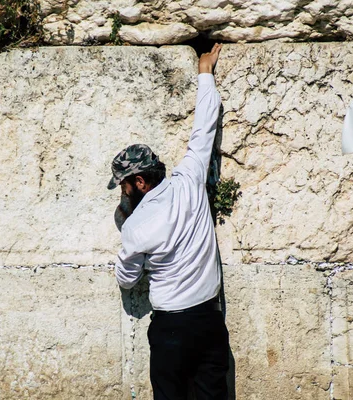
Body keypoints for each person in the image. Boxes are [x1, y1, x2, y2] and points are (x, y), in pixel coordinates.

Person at [107, 43, 229, 399]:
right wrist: (205, 73)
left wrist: (133, 253)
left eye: (124, 185)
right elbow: (203, 130)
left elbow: (127, 279)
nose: (123, 192)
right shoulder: (189, 180)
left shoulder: (135, 227)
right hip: (209, 321)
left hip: (171, 328)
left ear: (139, 182)